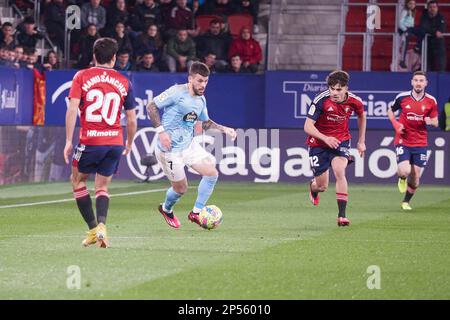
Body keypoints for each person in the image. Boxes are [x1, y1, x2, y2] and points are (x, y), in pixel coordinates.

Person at [64, 37, 137, 248]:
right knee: (102, 187)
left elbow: (72, 110)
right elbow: (131, 119)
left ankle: (94, 229)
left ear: (94, 56)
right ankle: (103, 225)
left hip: (91, 140)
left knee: (77, 181)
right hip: (115, 141)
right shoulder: (124, 82)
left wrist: (69, 140)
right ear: (115, 58)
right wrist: (129, 143)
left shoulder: (81, 76)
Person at [146, 61, 236, 229]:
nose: (203, 85)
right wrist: (161, 132)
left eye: (206, 81)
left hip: (188, 145)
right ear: (190, 79)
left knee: (211, 173)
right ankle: (166, 209)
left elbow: (205, 122)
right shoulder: (176, 92)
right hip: (169, 150)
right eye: (200, 81)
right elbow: (151, 106)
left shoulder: (201, 100)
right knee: (181, 189)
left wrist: (224, 129)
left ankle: (196, 212)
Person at [304, 70, 366, 227]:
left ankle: (342, 216)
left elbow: (361, 116)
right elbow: (307, 126)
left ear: (346, 88)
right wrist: (325, 138)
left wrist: (361, 141)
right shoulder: (320, 100)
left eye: (338, 89)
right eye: (332, 88)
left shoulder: (355, 101)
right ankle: (313, 187)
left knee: (340, 171)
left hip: (341, 141)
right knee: (322, 186)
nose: (334, 93)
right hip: (318, 143)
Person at [387, 71, 438, 210]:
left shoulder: (431, 101)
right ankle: (402, 178)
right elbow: (390, 111)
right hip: (403, 140)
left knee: (415, 179)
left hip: (420, 143)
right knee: (404, 171)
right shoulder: (402, 97)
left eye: (421, 80)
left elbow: (436, 121)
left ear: (426, 83)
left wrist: (430, 121)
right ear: (412, 82)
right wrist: (396, 124)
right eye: (416, 80)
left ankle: (405, 202)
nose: (418, 83)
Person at [419, 0, 447, 72]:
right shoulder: (424, 17)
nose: (432, 9)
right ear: (428, 8)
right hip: (427, 46)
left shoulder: (441, 17)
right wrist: (434, 32)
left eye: (434, 7)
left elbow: (442, 29)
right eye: (430, 7)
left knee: (441, 68)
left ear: (437, 8)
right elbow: (424, 27)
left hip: (439, 46)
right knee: (427, 69)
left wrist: (433, 32)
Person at [398, 0, 424, 69]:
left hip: (411, 28)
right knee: (405, 42)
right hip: (405, 28)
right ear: (407, 4)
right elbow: (400, 23)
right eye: (410, 4)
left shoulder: (413, 12)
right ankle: (402, 60)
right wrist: (405, 30)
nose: (412, 5)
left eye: (413, 4)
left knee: (421, 31)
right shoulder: (405, 11)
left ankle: (417, 46)